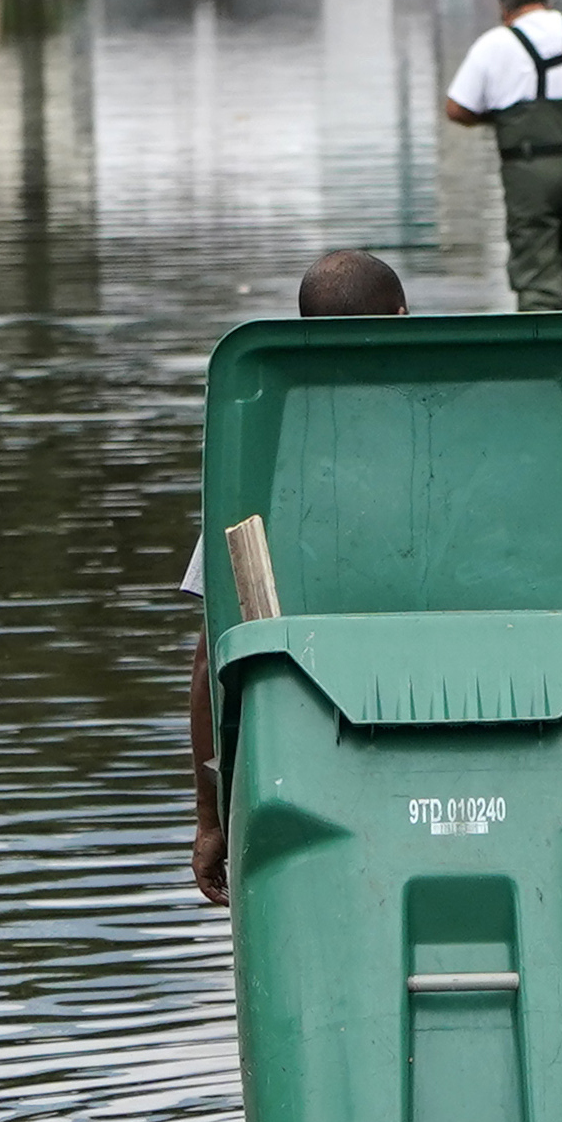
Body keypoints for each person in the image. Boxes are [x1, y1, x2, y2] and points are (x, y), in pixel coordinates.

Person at [189, 248, 406, 898]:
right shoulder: (474, 448)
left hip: (303, 775)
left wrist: (210, 818)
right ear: (403, 318)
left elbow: (211, 660)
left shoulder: (264, 465)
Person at [441, 0, 562, 311]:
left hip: (531, 174)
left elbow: (455, 108)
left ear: (504, 11)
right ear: (546, 2)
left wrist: (499, 117)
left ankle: (541, 357)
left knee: (539, 282)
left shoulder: (495, 43)